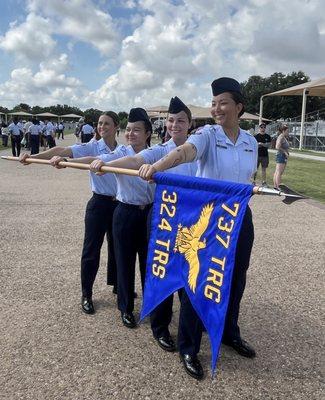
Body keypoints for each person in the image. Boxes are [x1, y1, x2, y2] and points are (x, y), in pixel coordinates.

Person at [139, 77, 258, 380]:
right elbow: (185, 152)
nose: (216, 108)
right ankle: (188, 347)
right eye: (214, 103)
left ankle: (230, 331)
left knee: (235, 279)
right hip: (211, 222)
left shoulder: (251, 142)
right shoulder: (207, 135)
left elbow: (248, 179)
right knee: (199, 281)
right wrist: (159, 166)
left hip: (240, 218)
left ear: (239, 107)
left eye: (223, 102)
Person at [98, 97, 198, 351]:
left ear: (190, 124)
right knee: (160, 271)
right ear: (165, 124)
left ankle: (190, 320)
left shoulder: (200, 150)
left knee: (190, 274)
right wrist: (106, 166)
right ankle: (159, 324)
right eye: (171, 120)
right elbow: (135, 160)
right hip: (164, 219)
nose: (175, 125)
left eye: (181, 121)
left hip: (192, 222)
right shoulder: (159, 151)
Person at [19, 111, 121, 314]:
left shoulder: (122, 149)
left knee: (118, 248)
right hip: (99, 204)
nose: (102, 127)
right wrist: (33, 158)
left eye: (107, 123)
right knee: (91, 250)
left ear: (116, 126)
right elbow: (63, 149)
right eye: (100, 123)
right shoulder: (92, 146)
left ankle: (119, 286)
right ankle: (87, 294)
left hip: (119, 203)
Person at [89, 108, 155, 329]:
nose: (131, 133)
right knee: (124, 262)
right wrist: (97, 163)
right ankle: (125, 308)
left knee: (149, 263)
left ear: (147, 133)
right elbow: (97, 158)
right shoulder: (120, 153)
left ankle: (151, 305)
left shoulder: (156, 154)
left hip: (148, 214)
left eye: (137, 130)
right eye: (128, 129)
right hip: (125, 212)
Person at [273, 124, 290, 189]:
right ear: (283, 131)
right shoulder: (281, 137)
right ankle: (278, 187)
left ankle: (276, 186)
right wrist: (285, 152)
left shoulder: (283, 137)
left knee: (277, 172)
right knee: (279, 172)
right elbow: (277, 146)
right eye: (287, 131)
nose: (288, 132)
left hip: (281, 156)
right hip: (281, 156)